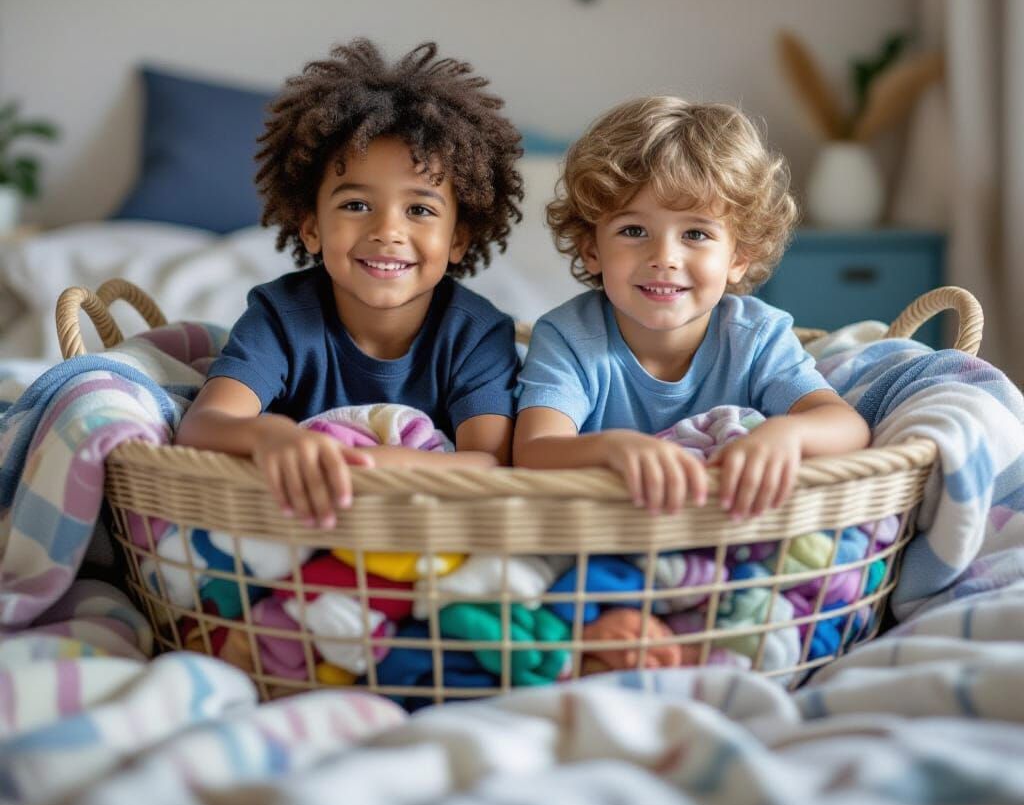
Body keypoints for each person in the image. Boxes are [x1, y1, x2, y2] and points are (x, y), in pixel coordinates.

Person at [177, 39, 524, 528]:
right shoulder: (281, 316)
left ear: (458, 239)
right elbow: (201, 427)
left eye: (420, 209)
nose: (387, 230)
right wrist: (273, 436)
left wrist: (391, 467)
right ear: (312, 226)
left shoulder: (478, 334)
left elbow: (491, 464)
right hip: (300, 526)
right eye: (357, 205)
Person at [513, 97, 870, 519]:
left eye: (696, 234)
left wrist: (787, 434)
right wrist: (611, 447)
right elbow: (532, 453)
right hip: (607, 531)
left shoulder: (755, 336)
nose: (664, 257)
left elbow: (849, 426)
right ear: (592, 249)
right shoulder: (568, 337)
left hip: (727, 526)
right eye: (633, 230)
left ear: (739, 257)